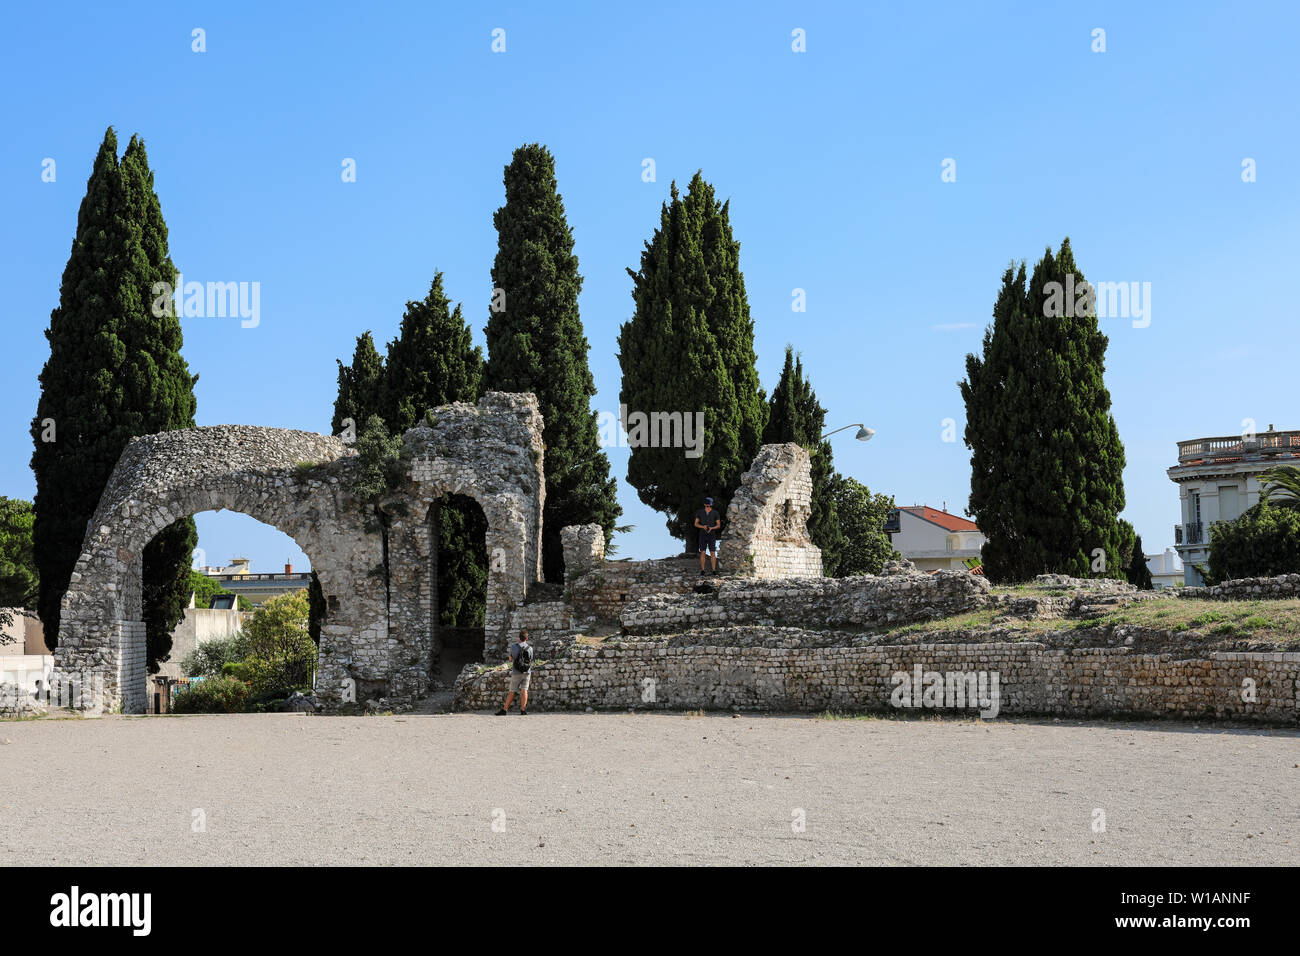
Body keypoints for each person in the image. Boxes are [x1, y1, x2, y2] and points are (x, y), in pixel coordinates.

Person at [496, 628, 533, 715]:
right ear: (526, 638)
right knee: (524, 691)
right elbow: (530, 659)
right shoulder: (530, 648)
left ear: (519, 638)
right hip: (527, 672)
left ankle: (505, 710)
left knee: (512, 691)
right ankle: (523, 710)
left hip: (516, 672)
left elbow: (510, 659)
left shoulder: (514, 647)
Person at [694, 496, 722, 575]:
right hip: (702, 534)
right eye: (707, 506)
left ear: (712, 505)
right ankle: (702, 570)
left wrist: (712, 528)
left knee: (712, 552)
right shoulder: (700, 512)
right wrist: (703, 526)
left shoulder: (715, 513)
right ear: (704, 505)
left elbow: (718, 525)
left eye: (710, 506)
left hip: (711, 534)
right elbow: (695, 524)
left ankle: (714, 570)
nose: (708, 507)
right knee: (703, 552)